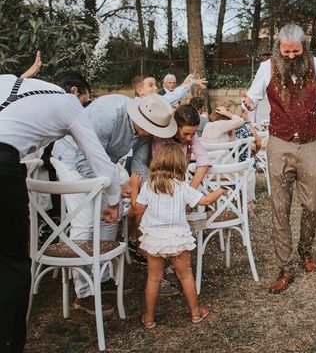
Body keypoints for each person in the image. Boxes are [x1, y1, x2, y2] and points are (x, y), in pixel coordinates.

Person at [0, 74, 119, 352]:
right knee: (12, 265)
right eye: (85, 102)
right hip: (2, 168)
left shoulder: (5, 81)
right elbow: (99, 159)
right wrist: (113, 199)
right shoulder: (67, 102)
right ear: (74, 91)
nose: (85, 108)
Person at [243, 23, 316, 294]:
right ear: (278, 47)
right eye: (285, 52)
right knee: (280, 208)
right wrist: (247, 104)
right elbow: (251, 97)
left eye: (295, 51)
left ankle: (305, 249)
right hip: (279, 143)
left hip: (310, 143)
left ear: (304, 46)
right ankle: (286, 267)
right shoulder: (267, 68)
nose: (290, 56)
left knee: (313, 204)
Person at [52, 93, 177, 315]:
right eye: (148, 128)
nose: (150, 134)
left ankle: (102, 278)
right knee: (86, 222)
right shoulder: (108, 116)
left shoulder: (148, 127)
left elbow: (139, 164)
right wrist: (117, 187)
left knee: (111, 217)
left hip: (103, 167)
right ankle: (83, 292)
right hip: (72, 161)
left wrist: (147, 193)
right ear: (138, 117)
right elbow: (84, 160)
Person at [129, 143, 226, 329]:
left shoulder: (149, 187)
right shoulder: (182, 187)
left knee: (154, 278)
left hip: (155, 240)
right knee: (185, 275)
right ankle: (195, 312)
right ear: (180, 164)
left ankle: (149, 317)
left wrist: (134, 186)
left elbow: (136, 209)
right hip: (177, 239)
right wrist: (220, 191)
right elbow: (205, 200)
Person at [133, 73, 207, 107]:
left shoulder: (137, 104)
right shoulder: (152, 102)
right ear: (140, 91)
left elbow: (174, 96)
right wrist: (192, 82)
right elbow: (174, 96)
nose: (156, 88)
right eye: (151, 85)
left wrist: (184, 85)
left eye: (155, 85)